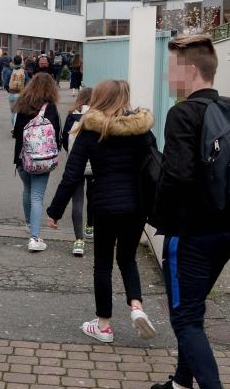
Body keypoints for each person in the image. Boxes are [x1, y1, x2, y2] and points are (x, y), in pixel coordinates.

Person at [150, 35, 230, 389]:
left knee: (186, 318)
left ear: (190, 71)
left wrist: (154, 214)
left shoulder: (183, 113)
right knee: (192, 309)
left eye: (172, 67)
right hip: (229, 230)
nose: (166, 74)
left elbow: (175, 176)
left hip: (191, 232)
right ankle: (179, 386)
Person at [46, 80, 158, 344]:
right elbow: (154, 163)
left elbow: (72, 173)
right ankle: (137, 308)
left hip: (105, 204)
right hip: (136, 205)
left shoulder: (90, 129)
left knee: (103, 265)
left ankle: (104, 326)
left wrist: (56, 210)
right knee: (128, 259)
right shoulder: (141, 129)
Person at [12, 72, 61, 252]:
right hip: (43, 159)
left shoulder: (22, 105)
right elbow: (57, 134)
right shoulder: (51, 108)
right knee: (37, 196)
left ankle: (28, 224)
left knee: (27, 190)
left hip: (23, 158)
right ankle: (34, 237)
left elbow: (17, 132)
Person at [59, 87, 95, 255]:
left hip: (76, 164)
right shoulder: (98, 116)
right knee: (93, 197)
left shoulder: (71, 115)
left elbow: (65, 140)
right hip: (95, 165)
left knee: (77, 201)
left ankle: (78, 241)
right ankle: (90, 227)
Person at [6, 55, 27, 129]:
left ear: (14, 62)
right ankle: (17, 128)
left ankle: (13, 128)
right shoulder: (24, 71)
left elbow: (5, 83)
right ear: (21, 62)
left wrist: (8, 90)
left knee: (13, 112)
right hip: (20, 93)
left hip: (11, 93)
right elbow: (27, 82)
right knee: (18, 113)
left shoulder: (10, 71)